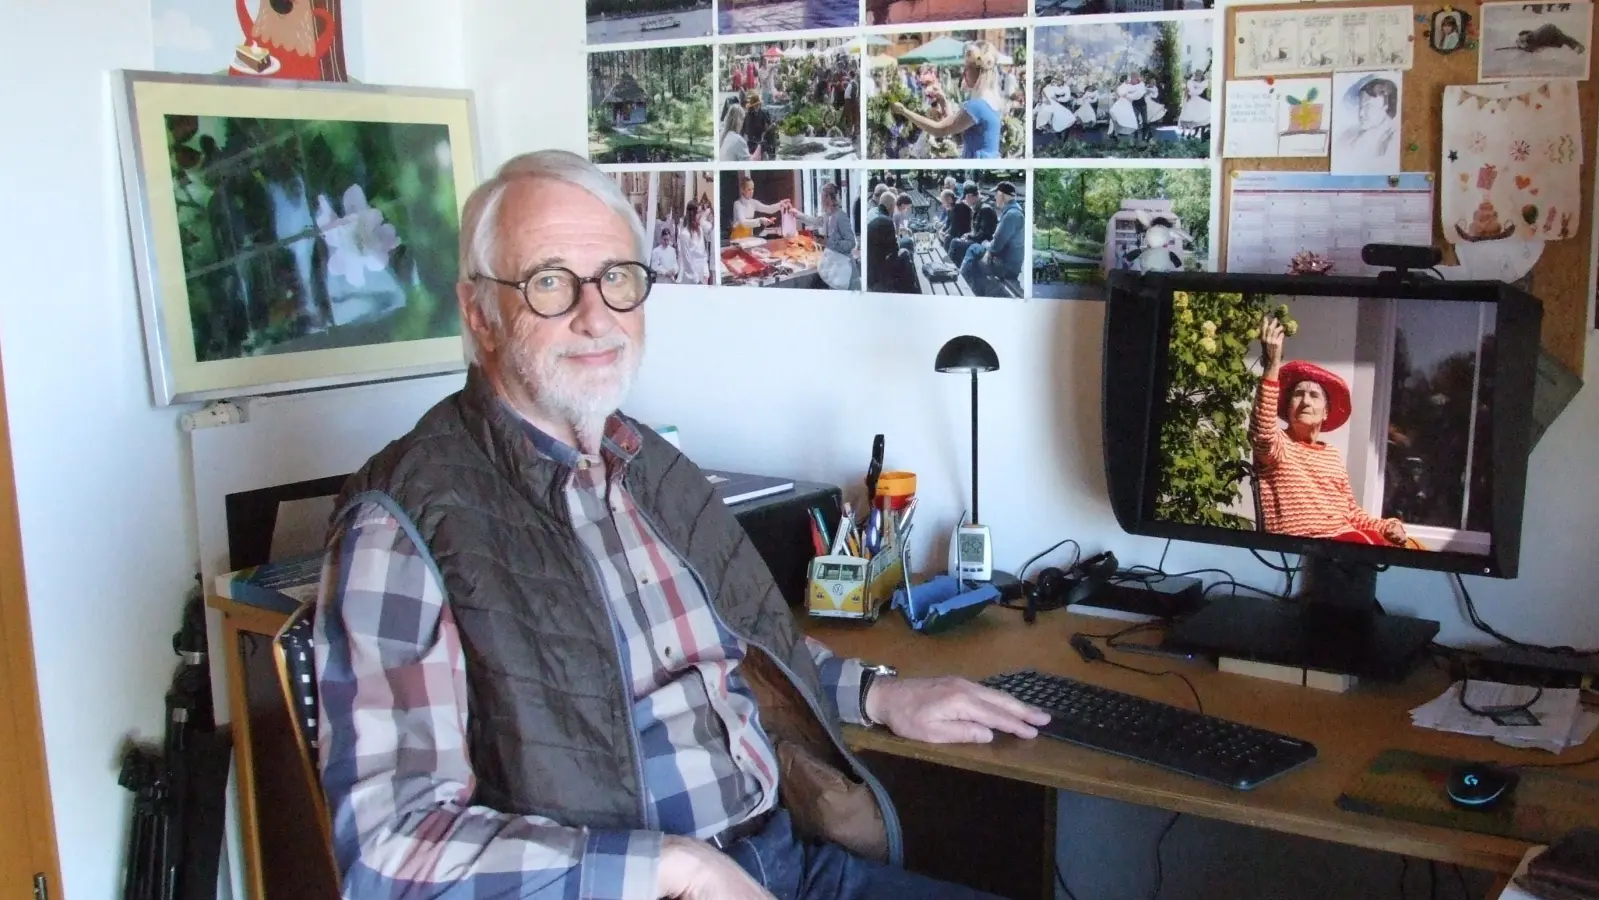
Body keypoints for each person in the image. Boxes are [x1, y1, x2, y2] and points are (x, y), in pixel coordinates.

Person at [313, 149, 1046, 899]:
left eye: (616, 278)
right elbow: (389, 855)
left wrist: (879, 694)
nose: (596, 316)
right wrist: (673, 866)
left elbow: (750, 653)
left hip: (786, 861)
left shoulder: (647, 462)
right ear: (480, 314)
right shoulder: (404, 522)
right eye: (549, 283)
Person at [1253, 315, 1409, 546]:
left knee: (1411, 546)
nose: (1305, 401)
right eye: (1298, 394)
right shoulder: (1279, 445)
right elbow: (1262, 434)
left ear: (1325, 412)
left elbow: (1351, 514)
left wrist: (1388, 526)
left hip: (1344, 539)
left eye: (1314, 395)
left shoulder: (1332, 455)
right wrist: (1272, 365)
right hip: (1309, 547)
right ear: (1288, 407)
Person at [890, 41, 1007, 159]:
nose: (964, 72)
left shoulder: (978, 106)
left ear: (979, 71)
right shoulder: (990, 101)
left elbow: (939, 130)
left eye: (967, 67)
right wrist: (943, 101)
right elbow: (957, 132)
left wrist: (904, 111)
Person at [959, 181, 1023, 297]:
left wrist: (986, 245)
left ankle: (961, 284)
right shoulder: (1013, 211)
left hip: (1007, 266)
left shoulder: (1011, 215)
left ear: (1002, 195)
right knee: (975, 253)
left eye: (996, 194)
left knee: (974, 251)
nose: (994, 197)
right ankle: (972, 289)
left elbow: (996, 245)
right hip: (1009, 262)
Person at [795, 181, 857, 290]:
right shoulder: (827, 215)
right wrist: (796, 214)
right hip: (834, 268)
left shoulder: (841, 216)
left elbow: (851, 243)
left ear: (829, 197)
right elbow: (815, 221)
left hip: (844, 270)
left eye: (823, 197)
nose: (821, 201)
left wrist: (828, 242)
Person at [1335, 76, 1399, 170]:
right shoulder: (1350, 135)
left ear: (1386, 105)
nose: (1361, 113)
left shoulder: (1393, 140)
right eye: (1360, 107)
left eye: (1367, 106)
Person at [949, 183, 996, 268]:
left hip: (983, 243)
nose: (965, 200)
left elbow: (983, 234)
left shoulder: (985, 209)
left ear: (971, 196)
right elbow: (975, 231)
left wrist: (969, 236)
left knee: (955, 242)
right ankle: (955, 267)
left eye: (966, 197)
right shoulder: (977, 207)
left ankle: (950, 268)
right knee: (956, 239)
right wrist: (968, 235)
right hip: (977, 240)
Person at [679, 200, 710, 285]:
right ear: (692, 214)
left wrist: (706, 273)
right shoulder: (685, 234)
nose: (701, 215)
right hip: (691, 277)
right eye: (699, 212)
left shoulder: (699, 230)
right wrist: (696, 280)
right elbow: (687, 260)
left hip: (702, 272)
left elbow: (703, 253)